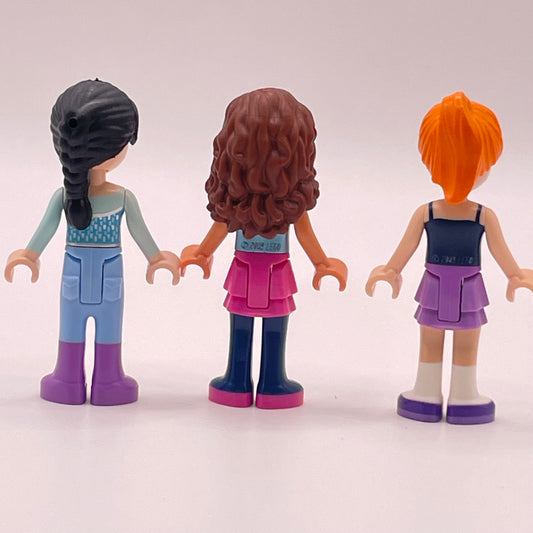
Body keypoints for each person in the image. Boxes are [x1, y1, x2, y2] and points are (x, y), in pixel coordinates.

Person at [5, 79, 180, 406]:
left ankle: (66, 380)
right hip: (110, 272)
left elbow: (44, 232)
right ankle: (109, 382)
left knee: (71, 326)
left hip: (73, 271)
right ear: (117, 147)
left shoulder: (65, 196)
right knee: (108, 327)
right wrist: (156, 259)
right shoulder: (122, 197)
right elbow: (139, 232)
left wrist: (29, 255)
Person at [366, 91, 533, 424]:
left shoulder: (430, 212)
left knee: (432, 339)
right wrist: (515, 275)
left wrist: (390, 270)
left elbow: (407, 248)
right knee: (463, 342)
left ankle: (428, 395)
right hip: (468, 287)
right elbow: (498, 251)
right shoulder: (480, 215)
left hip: (436, 285)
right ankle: (462, 398)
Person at [181, 88, 347, 409]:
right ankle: (271, 383)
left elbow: (221, 228)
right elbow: (305, 234)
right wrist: (322, 264)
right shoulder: (284, 204)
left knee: (243, 325)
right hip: (275, 272)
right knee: (271, 326)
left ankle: (238, 381)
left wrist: (202, 254)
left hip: (246, 270)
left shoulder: (243, 203)